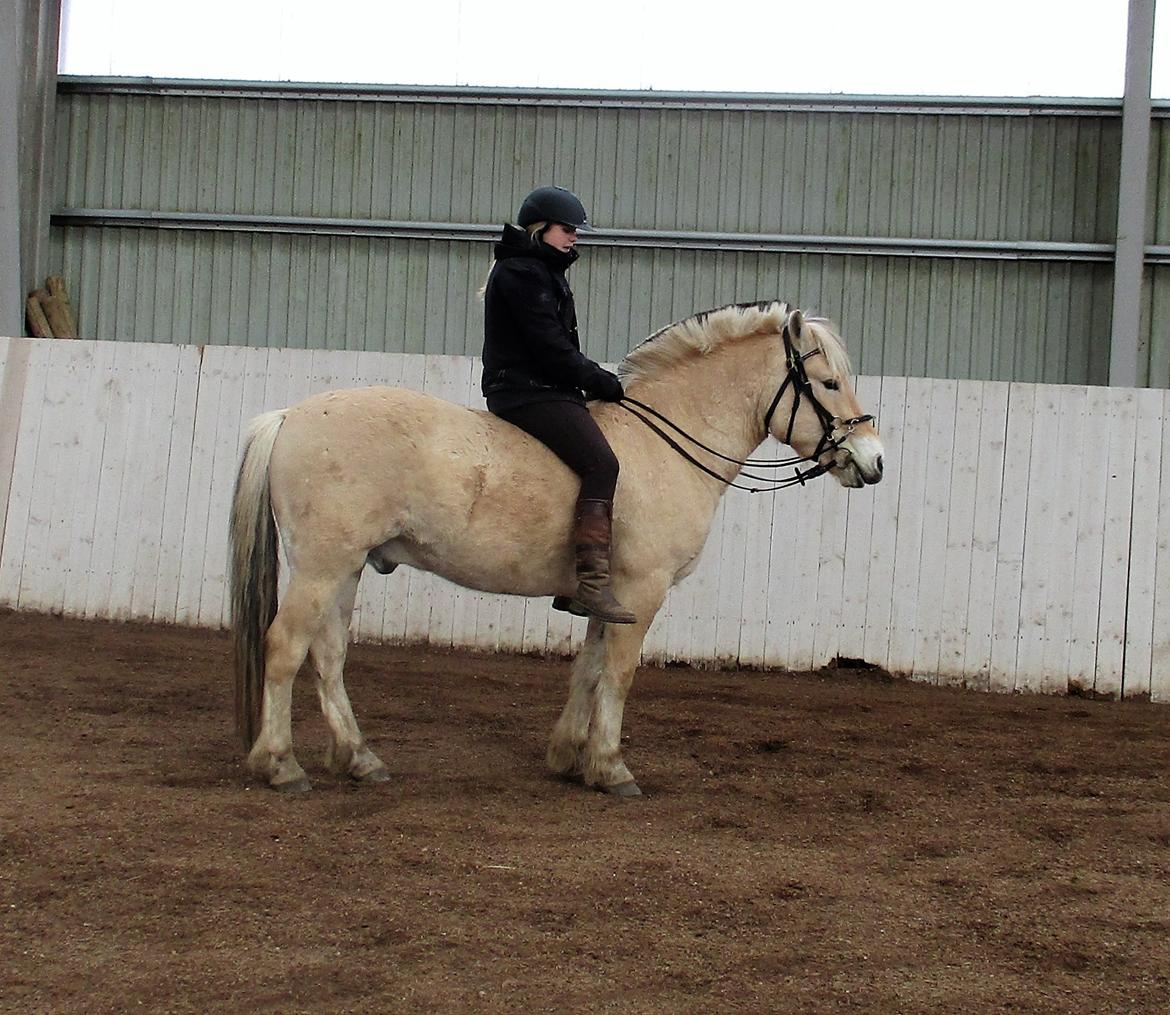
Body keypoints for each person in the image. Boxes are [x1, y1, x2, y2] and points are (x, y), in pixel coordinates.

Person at [481, 185, 636, 625]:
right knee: (602, 465)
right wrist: (596, 379)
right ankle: (589, 585)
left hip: (542, 388)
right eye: (567, 230)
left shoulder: (541, 271)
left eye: (575, 232)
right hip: (527, 392)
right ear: (540, 229)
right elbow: (550, 349)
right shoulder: (524, 274)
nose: (574, 238)